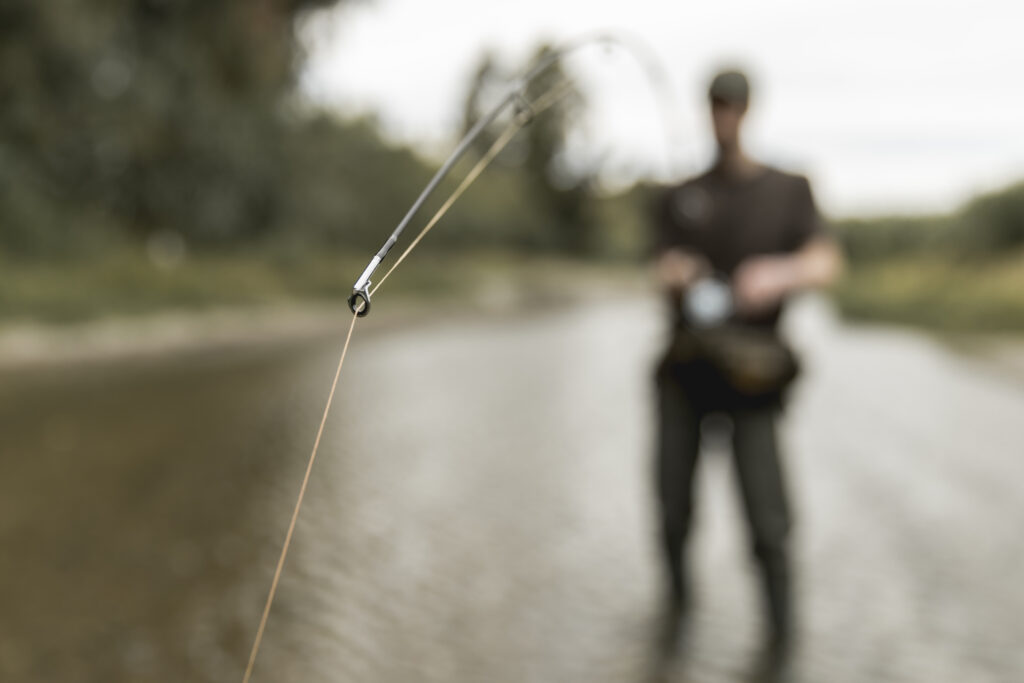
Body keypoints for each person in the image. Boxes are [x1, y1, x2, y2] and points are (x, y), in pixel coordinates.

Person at [650, 68, 842, 681]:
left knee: (769, 521)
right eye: (714, 104)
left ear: (748, 109)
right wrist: (676, 272)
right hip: (684, 371)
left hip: (755, 377)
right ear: (705, 110)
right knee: (672, 509)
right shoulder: (676, 195)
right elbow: (657, 266)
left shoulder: (791, 189)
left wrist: (779, 274)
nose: (723, 114)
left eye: (732, 104)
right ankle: (674, 619)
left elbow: (826, 260)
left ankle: (782, 644)